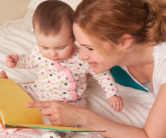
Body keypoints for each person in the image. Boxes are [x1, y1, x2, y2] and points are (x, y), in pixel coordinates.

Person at [26, 0, 166, 137]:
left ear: (124, 42)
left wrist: (81, 116)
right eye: (81, 46)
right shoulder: (120, 50)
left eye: (90, 48)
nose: (81, 56)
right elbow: (69, 76)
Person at [0, 0, 123, 137]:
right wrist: (16, 61)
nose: (52, 54)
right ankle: (6, 117)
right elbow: (29, 60)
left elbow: (101, 74)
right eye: (45, 47)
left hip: (70, 101)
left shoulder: (81, 57)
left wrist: (112, 94)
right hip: (40, 91)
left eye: (60, 47)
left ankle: (56, 133)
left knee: (68, 120)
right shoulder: (38, 51)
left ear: (73, 38)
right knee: (20, 91)